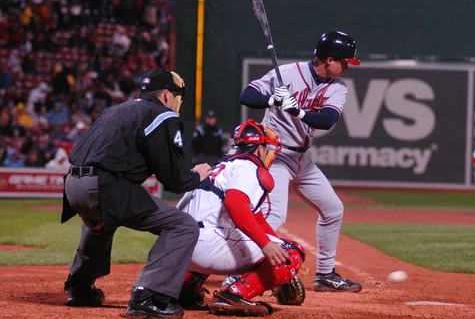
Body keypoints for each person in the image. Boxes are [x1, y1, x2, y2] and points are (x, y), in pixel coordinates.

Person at [60, 68, 213, 319]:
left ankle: (79, 287)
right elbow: (174, 180)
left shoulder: (115, 110)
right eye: (178, 95)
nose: (178, 101)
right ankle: (149, 295)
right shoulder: (163, 116)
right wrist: (196, 175)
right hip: (104, 186)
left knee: (102, 220)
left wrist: (83, 201)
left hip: (72, 184)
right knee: (183, 225)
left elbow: (83, 151)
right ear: (166, 94)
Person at [238, 31, 362, 292]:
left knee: (333, 209)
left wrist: (298, 110)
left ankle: (325, 275)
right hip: (276, 155)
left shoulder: (337, 87)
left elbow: (327, 119)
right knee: (274, 215)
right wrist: (272, 99)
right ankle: (242, 272)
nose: (348, 66)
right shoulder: (287, 74)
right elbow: (247, 96)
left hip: (302, 159)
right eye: (345, 61)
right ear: (329, 60)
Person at [177, 119, 306, 316]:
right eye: (268, 148)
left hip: (177, 247)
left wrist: (275, 250)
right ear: (259, 149)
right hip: (205, 246)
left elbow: (257, 218)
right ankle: (234, 296)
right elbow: (235, 204)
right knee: (293, 252)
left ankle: (185, 291)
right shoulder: (248, 167)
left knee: (226, 233)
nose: (270, 153)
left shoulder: (222, 166)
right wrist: (268, 246)